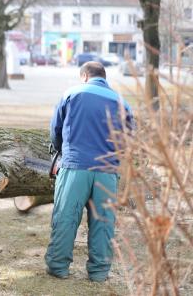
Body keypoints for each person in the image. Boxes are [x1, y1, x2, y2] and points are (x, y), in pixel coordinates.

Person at [45, 61, 133, 282]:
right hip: (107, 171)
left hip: (75, 167)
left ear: (84, 76)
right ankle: (99, 272)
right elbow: (128, 139)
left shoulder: (71, 94)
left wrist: (60, 150)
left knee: (66, 216)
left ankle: (58, 266)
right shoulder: (122, 102)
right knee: (103, 222)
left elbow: (55, 130)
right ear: (104, 78)